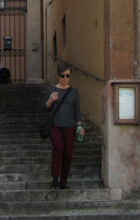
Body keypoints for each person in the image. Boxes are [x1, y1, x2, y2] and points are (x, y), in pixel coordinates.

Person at [43, 62, 84, 190]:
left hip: (70, 126)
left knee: (68, 154)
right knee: (59, 148)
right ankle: (55, 179)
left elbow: (77, 111)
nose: (65, 78)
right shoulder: (51, 90)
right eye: (62, 75)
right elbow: (44, 107)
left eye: (67, 76)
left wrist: (80, 126)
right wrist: (50, 100)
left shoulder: (74, 92)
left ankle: (63, 182)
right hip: (55, 125)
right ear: (58, 76)